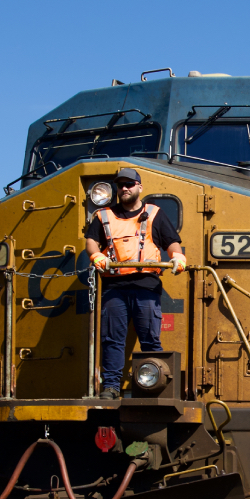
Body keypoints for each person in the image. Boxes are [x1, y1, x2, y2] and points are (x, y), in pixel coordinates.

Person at [85, 168, 187, 399]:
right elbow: (91, 243)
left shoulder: (155, 214)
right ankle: (111, 387)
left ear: (139, 187)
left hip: (146, 286)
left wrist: (178, 257)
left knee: (150, 338)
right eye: (120, 185)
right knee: (112, 339)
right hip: (114, 288)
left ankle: (156, 387)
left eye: (129, 184)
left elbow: (172, 243)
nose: (124, 189)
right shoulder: (103, 216)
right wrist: (96, 256)